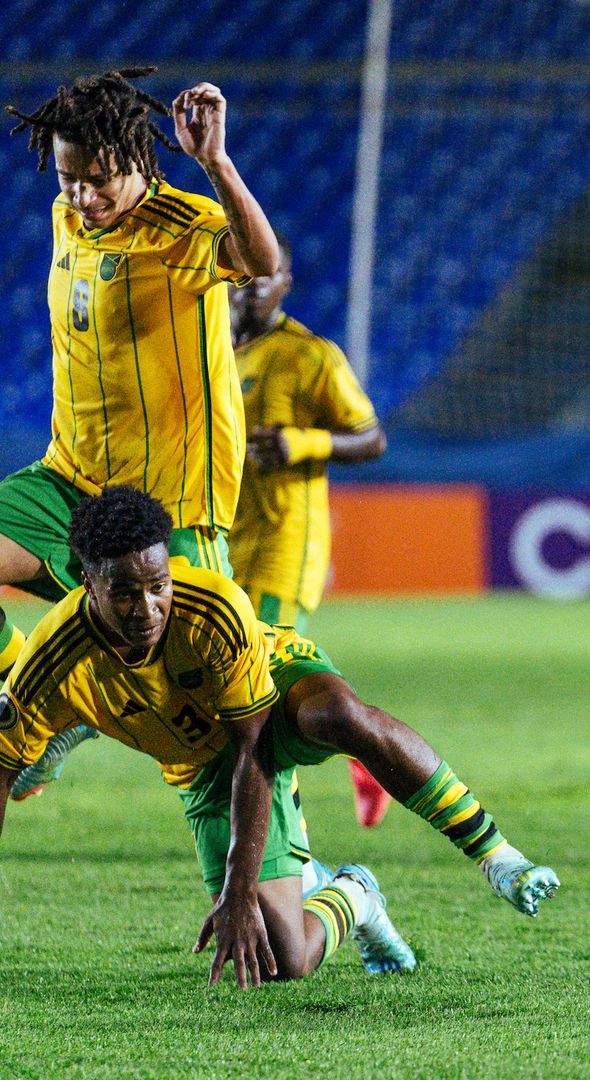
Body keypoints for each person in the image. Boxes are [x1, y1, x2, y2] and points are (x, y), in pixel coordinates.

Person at [0, 486, 559, 989]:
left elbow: (256, 744)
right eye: (125, 594)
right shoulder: (50, 663)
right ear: (86, 583)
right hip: (202, 769)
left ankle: (497, 857)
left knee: (339, 716)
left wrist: (239, 888)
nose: (148, 608)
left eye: (158, 586)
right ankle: (355, 894)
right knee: (286, 962)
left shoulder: (214, 607)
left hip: (271, 703)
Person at [1, 67, 278, 797]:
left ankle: (317, 884)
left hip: (166, 510)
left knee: (220, 744)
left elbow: (262, 261)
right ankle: (26, 706)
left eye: (98, 179)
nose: (82, 196)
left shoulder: (180, 227)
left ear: (136, 163)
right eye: (68, 179)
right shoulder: (69, 218)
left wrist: (215, 163)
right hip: (67, 479)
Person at [228, 236, 391, 828]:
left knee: (264, 682)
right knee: (250, 674)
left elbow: (371, 436)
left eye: (264, 276)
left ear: (285, 283)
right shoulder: (209, 349)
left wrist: (305, 442)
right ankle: (368, 747)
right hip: (221, 537)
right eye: (240, 273)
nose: (249, 286)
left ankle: (281, 825)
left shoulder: (310, 355)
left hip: (283, 542)